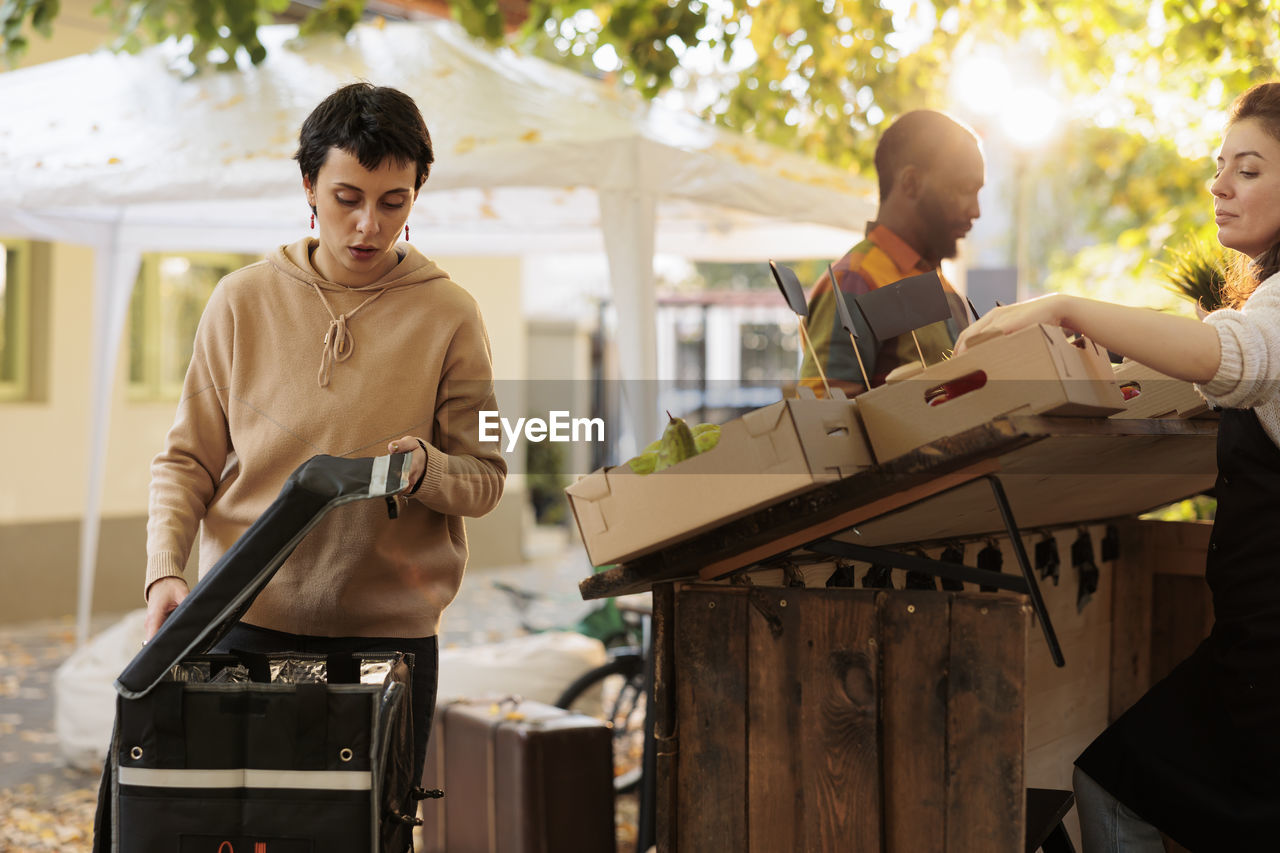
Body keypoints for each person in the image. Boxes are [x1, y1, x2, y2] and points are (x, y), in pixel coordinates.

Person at [141, 82, 508, 789]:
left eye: (392, 202)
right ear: (309, 185)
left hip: (389, 645)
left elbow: (487, 477)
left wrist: (428, 469)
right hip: (241, 624)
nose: (369, 225)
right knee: (244, 832)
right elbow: (185, 459)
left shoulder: (452, 315)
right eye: (347, 198)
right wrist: (165, 567)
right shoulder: (240, 301)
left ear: (415, 196)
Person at [955, 81, 1280, 851]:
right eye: (1219, 164)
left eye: (1251, 168)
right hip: (1254, 643)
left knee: (1115, 784)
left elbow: (1229, 353)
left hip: (1270, 655)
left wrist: (1064, 306)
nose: (1220, 185)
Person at [800, 109, 983, 396]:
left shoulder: (943, 288)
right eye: (963, 189)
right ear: (910, 183)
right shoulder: (855, 282)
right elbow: (825, 424)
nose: (976, 211)